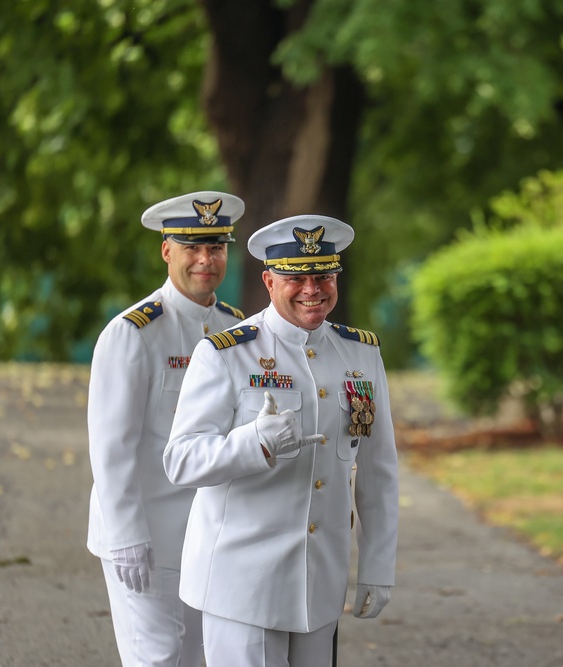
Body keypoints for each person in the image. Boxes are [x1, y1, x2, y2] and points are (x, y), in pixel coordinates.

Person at [163, 214, 399, 666]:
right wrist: (255, 443)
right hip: (241, 583)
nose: (313, 288)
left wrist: (377, 567)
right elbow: (181, 460)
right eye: (298, 277)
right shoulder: (227, 353)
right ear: (270, 281)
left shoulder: (361, 354)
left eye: (324, 275)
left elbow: (379, 470)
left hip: (319, 582)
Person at [87, 191, 246, 666]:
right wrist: (126, 535)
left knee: (200, 659)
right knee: (156, 658)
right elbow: (112, 448)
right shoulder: (133, 333)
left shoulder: (236, 330)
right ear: (166, 251)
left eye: (215, 247)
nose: (205, 259)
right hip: (148, 536)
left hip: (211, 538)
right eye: (191, 247)